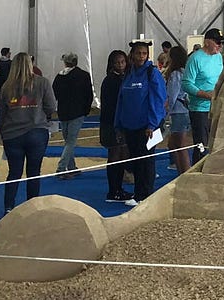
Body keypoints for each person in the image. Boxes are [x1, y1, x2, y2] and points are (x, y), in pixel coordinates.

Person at [0, 52, 56, 214]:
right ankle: (32, 208)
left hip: (12, 135)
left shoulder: (6, 87)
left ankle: (8, 208)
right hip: (37, 133)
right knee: (34, 172)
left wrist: (1, 133)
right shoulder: (42, 83)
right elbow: (51, 107)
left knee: (14, 172)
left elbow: (1, 113)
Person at [115, 41, 166, 201]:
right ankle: (138, 193)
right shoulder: (129, 74)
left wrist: (152, 124)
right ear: (132, 55)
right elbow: (121, 100)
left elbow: (158, 100)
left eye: (144, 53)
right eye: (138, 53)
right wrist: (118, 124)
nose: (141, 57)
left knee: (146, 161)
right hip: (130, 126)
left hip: (147, 127)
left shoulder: (152, 73)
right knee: (135, 161)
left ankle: (146, 196)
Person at [185, 28, 224, 162]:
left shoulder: (218, 57)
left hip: (216, 107)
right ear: (207, 42)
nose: (220, 46)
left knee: (217, 144)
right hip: (200, 110)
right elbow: (186, 84)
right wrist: (205, 95)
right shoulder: (195, 58)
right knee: (202, 146)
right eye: (217, 43)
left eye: (221, 43)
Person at [99, 50, 133, 205]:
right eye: (117, 62)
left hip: (120, 123)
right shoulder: (111, 81)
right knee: (114, 156)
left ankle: (117, 189)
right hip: (112, 124)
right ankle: (113, 190)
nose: (120, 65)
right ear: (111, 64)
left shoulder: (122, 78)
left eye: (123, 62)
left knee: (120, 156)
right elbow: (112, 105)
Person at [52, 52, 93, 176]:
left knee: (68, 141)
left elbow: (55, 93)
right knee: (70, 141)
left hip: (63, 112)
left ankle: (71, 167)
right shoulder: (84, 75)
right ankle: (62, 167)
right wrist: (86, 110)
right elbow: (89, 95)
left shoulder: (59, 77)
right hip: (78, 112)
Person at [164, 45, 192, 175]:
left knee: (180, 146)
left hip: (179, 112)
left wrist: (166, 113)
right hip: (183, 111)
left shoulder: (175, 74)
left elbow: (172, 95)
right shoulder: (185, 71)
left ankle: (185, 172)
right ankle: (182, 171)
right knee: (177, 145)